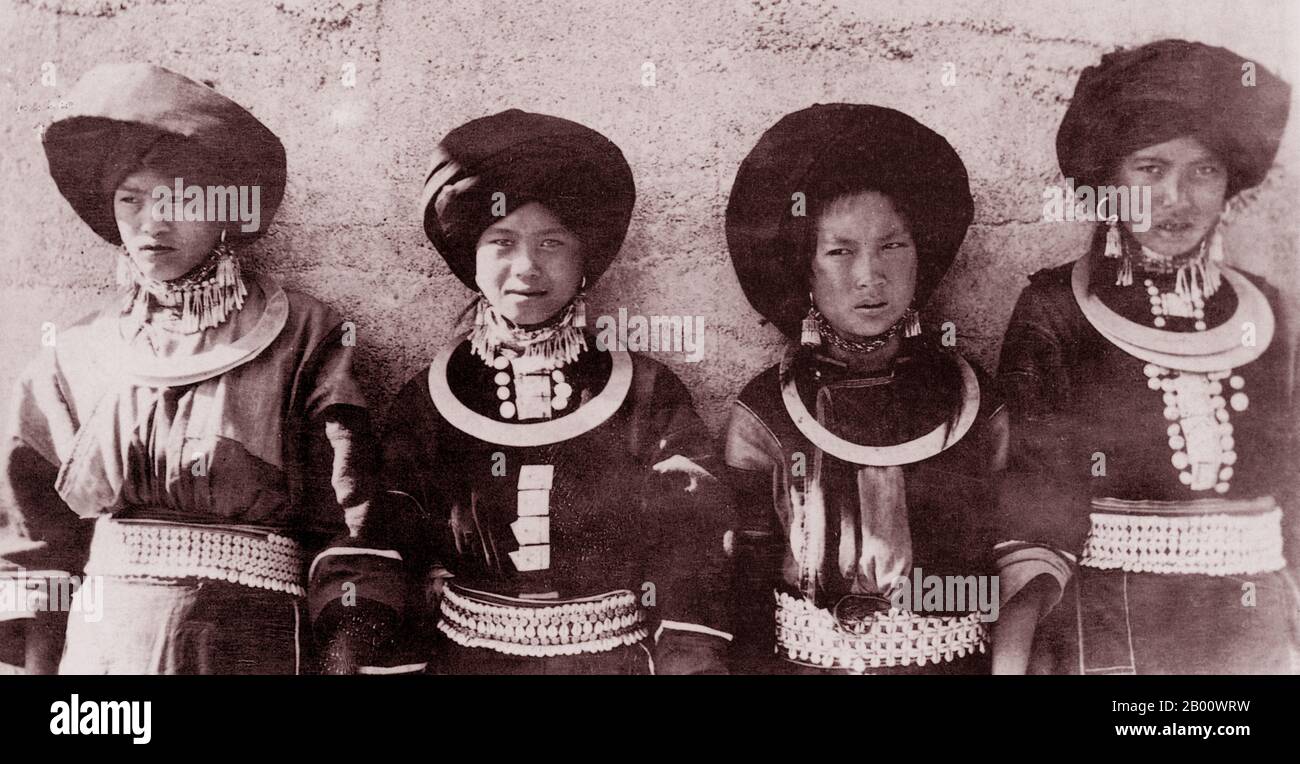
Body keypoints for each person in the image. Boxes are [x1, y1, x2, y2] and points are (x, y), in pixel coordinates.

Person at [309, 109, 734, 674]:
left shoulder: (646, 394)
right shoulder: (429, 402)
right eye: (502, 242)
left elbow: (694, 539)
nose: (527, 267)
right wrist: (363, 651)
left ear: (586, 259)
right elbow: (382, 537)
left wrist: (688, 661)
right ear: (472, 259)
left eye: (553, 242)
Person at [0, 63, 381, 674]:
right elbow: (35, 541)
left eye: (180, 199)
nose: (153, 223)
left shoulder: (305, 334)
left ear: (228, 212)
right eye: (132, 200)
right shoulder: (73, 352)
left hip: (246, 642)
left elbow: (347, 517)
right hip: (109, 648)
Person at [993, 39, 1298, 674]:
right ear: (1108, 183)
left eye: (1204, 171)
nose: (1177, 199)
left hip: (1254, 630)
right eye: (1149, 169)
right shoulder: (1057, 309)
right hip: (1112, 624)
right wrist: (1017, 649)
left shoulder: (1264, 311)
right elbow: (1037, 493)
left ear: (1229, 184)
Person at [722, 103, 1004, 674]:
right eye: (839, 251)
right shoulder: (767, 413)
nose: (870, 277)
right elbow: (745, 586)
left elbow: (1008, 562)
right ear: (804, 269)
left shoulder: (973, 402)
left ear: (920, 256)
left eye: (893, 246)